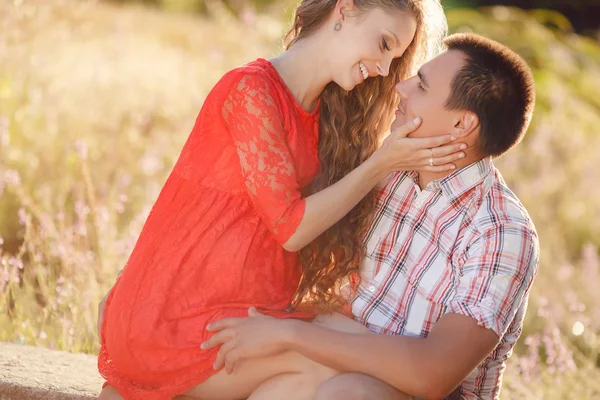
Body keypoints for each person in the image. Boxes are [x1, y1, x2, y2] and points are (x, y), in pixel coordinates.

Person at [96, 0, 457, 399]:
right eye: (384, 43)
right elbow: (291, 228)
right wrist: (381, 163)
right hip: (179, 316)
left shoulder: (329, 113)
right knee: (338, 363)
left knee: (356, 350)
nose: (385, 68)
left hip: (242, 309)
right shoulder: (249, 89)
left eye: (395, 57)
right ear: (344, 10)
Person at [202, 32, 539, 400]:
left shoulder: (501, 232)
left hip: (400, 388)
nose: (402, 88)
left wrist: (290, 334)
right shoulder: (391, 170)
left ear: (462, 125)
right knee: (213, 360)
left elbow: (433, 374)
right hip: (335, 352)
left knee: (348, 392)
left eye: (422, 87)